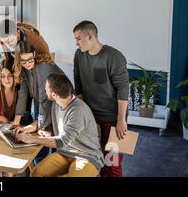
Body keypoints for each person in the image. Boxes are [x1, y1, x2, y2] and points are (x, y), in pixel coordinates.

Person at [13, 73, 105, 177]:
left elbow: (61, 141)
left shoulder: (78, 110)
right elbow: (42, 121)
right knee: (36, 173)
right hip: (65, 153)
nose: (44, 88)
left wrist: (31, 139)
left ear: (54, 95)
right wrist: (25, 130)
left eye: (46, 87)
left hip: (86, 157)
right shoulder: (55, 104)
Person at [72, 20, 129, 177]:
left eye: (78, 38)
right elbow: (78, 82)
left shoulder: (114, 57)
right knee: (98, 159)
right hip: (91, 117)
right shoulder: (79, 55)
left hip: (113, 117)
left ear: (90, 36)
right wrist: (83, 113)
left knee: (113, 162)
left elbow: (123, 89)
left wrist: (121, 120)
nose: (76, 43)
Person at [10, 41, 69, 163]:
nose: (27, 64)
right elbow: (23, 92)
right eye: (23, 61)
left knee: (47, 138)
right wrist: (17, 120)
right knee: (41, 134)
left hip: (58, 105)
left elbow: (44, 100)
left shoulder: (43, 69)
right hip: (42, 103)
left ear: (35, 54)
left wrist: (41, 126)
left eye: (30, 59)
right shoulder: (24, 68)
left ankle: (45, 166)